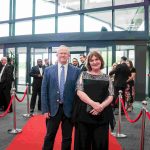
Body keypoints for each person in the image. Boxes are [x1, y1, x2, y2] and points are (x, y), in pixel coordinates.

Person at [41, 45, 80, 150]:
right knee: (49, 136)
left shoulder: (76, 71)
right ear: (57, 55)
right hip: (53, 110)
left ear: (69, 55)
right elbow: (44, 91)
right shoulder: (48, 70)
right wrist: (45, 109)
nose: (63, 55)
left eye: (65, 53)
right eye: (60, 53)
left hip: (69, 110)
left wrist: (76, 110)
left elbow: (79, 92)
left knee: (67, 138)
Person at [73, 51, 114, 150]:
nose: (94, 62)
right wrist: (94, 104)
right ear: (89, 63)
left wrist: (101, 106)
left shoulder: (107, 77)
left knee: (100, 144)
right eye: (92, 60)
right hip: (84, 116)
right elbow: (79, 92)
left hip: (102, 115)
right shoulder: (83, 74)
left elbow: (111, 95)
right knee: (82, 144)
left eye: (97, 59)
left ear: (101, 61)